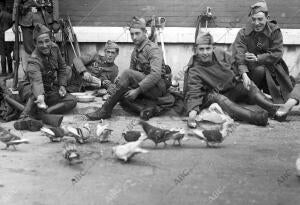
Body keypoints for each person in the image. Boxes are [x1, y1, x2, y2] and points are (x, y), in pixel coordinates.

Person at [184, 32, 282, 128]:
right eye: (201, 49)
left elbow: (236, 62)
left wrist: (243, 75)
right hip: (210, 97)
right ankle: (256, 118)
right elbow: (194, 93)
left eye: (208, 48)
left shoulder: (220, 53)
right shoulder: (194, 69)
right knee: (218, 97)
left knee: (248, 85)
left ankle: (276, 111)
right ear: (196, 49)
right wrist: (192, 114)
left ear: (213, 48)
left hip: (229, 89)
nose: (205, 53)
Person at [86, 16, 169, 121]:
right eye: (131, 34)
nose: (134, 37)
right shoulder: (135, 52)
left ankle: (105, 110)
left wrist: (137, 91)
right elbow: (132, 74)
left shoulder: (152, 49)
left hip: (156, 88)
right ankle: (145, 109)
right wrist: (120, 82)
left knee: (126, 77)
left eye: (137, 33)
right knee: (119, 92)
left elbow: (155, 75)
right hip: (145, 87)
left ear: (145, 32)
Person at [15, 23, 77, 129]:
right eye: (40, 42)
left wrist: (62, 85)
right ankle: (24, 116)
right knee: (34, 94)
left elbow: (62, 68)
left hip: (48, 90)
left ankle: (42, 113)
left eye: (47, 41)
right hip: (29, 88)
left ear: (51, 39)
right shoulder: (33, 60)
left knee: (72, 100)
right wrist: (40, 96)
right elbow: (36, 82)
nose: (44, 45)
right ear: (35, 44)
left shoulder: (54, 48)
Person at [231, 0, 293, 104]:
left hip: (273, 72)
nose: (256, 23)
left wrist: (258, 58)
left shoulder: (275, 31)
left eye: (260, 19)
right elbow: (239, 55)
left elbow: (277, 53)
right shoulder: (243, 33)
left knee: (281, 95)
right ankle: (253, 96)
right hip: (252, 72)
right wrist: (244, 75)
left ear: (267, 18)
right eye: (253, 19)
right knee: (259, 71)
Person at [0, 4, 14, 76]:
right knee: (8, 54)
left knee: (2, 54)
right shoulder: (10, 16)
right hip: (8, 35)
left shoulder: (1, 14)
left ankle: (4, 72)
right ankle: (10, 71)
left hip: (1, 35)